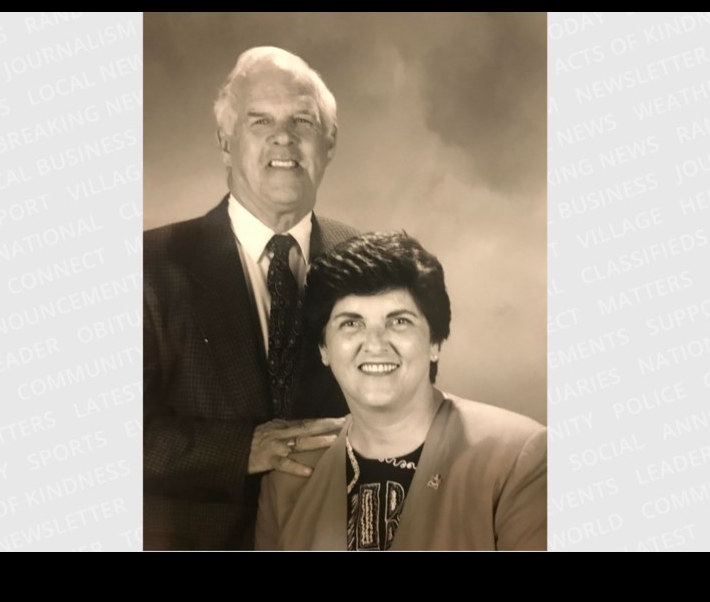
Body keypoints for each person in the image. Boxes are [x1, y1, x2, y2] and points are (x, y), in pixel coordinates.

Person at [144, 47, 358, 550]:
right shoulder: (147, 266)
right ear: (225, 141)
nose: (284, 137)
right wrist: (241, 450)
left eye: (302, 120)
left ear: (329, 142)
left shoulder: (370, 261)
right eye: (260, 120)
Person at [255, 231, 547, 550]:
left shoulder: (518, 456)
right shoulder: (290, 474)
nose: (376, 343)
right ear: (324, 349)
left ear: (434, 341)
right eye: (351, 323)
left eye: (399, 322)